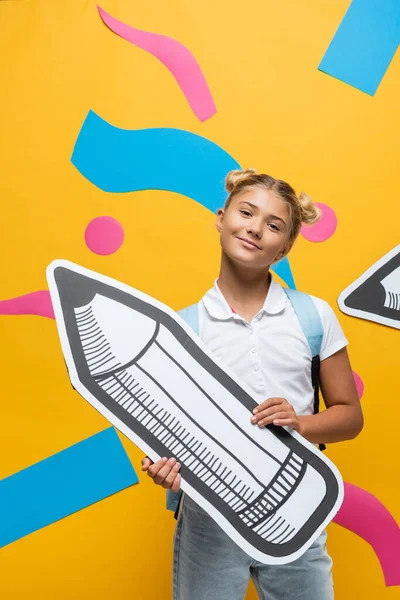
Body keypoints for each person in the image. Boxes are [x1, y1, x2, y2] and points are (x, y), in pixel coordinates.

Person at [141, 168, 363, 600]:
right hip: (209, 520)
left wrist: (299, 423)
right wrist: (163, 466)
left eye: (274, 225)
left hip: (297, 510)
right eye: (247, 212)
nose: (256, 228)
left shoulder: (314, 317)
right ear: (221, 217)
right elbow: (168, 429)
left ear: (286, 248)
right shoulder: (181, 329)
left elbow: (350, 417)